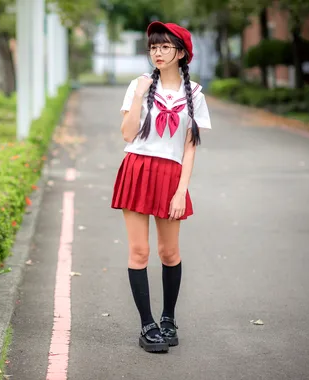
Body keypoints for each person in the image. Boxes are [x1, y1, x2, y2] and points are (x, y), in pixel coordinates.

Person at [111, 21, 212, 353]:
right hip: (137, 168)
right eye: (153, 47)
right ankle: (147, 325)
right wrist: (139, 96)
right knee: (139, 252)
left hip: (171, 176)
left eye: (165, 46)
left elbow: (190, 146)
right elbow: (127, 135)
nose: (158, 52)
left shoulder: (194, 93)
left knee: (169, 252)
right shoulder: (137, 85)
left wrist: (182, 190)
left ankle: (168, 319)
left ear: (181, 53)